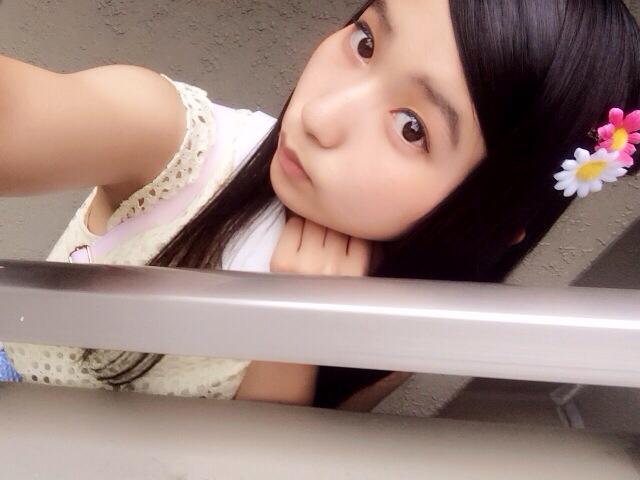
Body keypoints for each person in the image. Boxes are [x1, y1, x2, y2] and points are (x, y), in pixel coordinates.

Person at [0, 0, 638, 409]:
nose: (319, 116)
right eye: (365, 43)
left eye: (411, 127)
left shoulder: (405, 320)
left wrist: (295, 343)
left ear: (493, 220)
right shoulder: (181, 145)